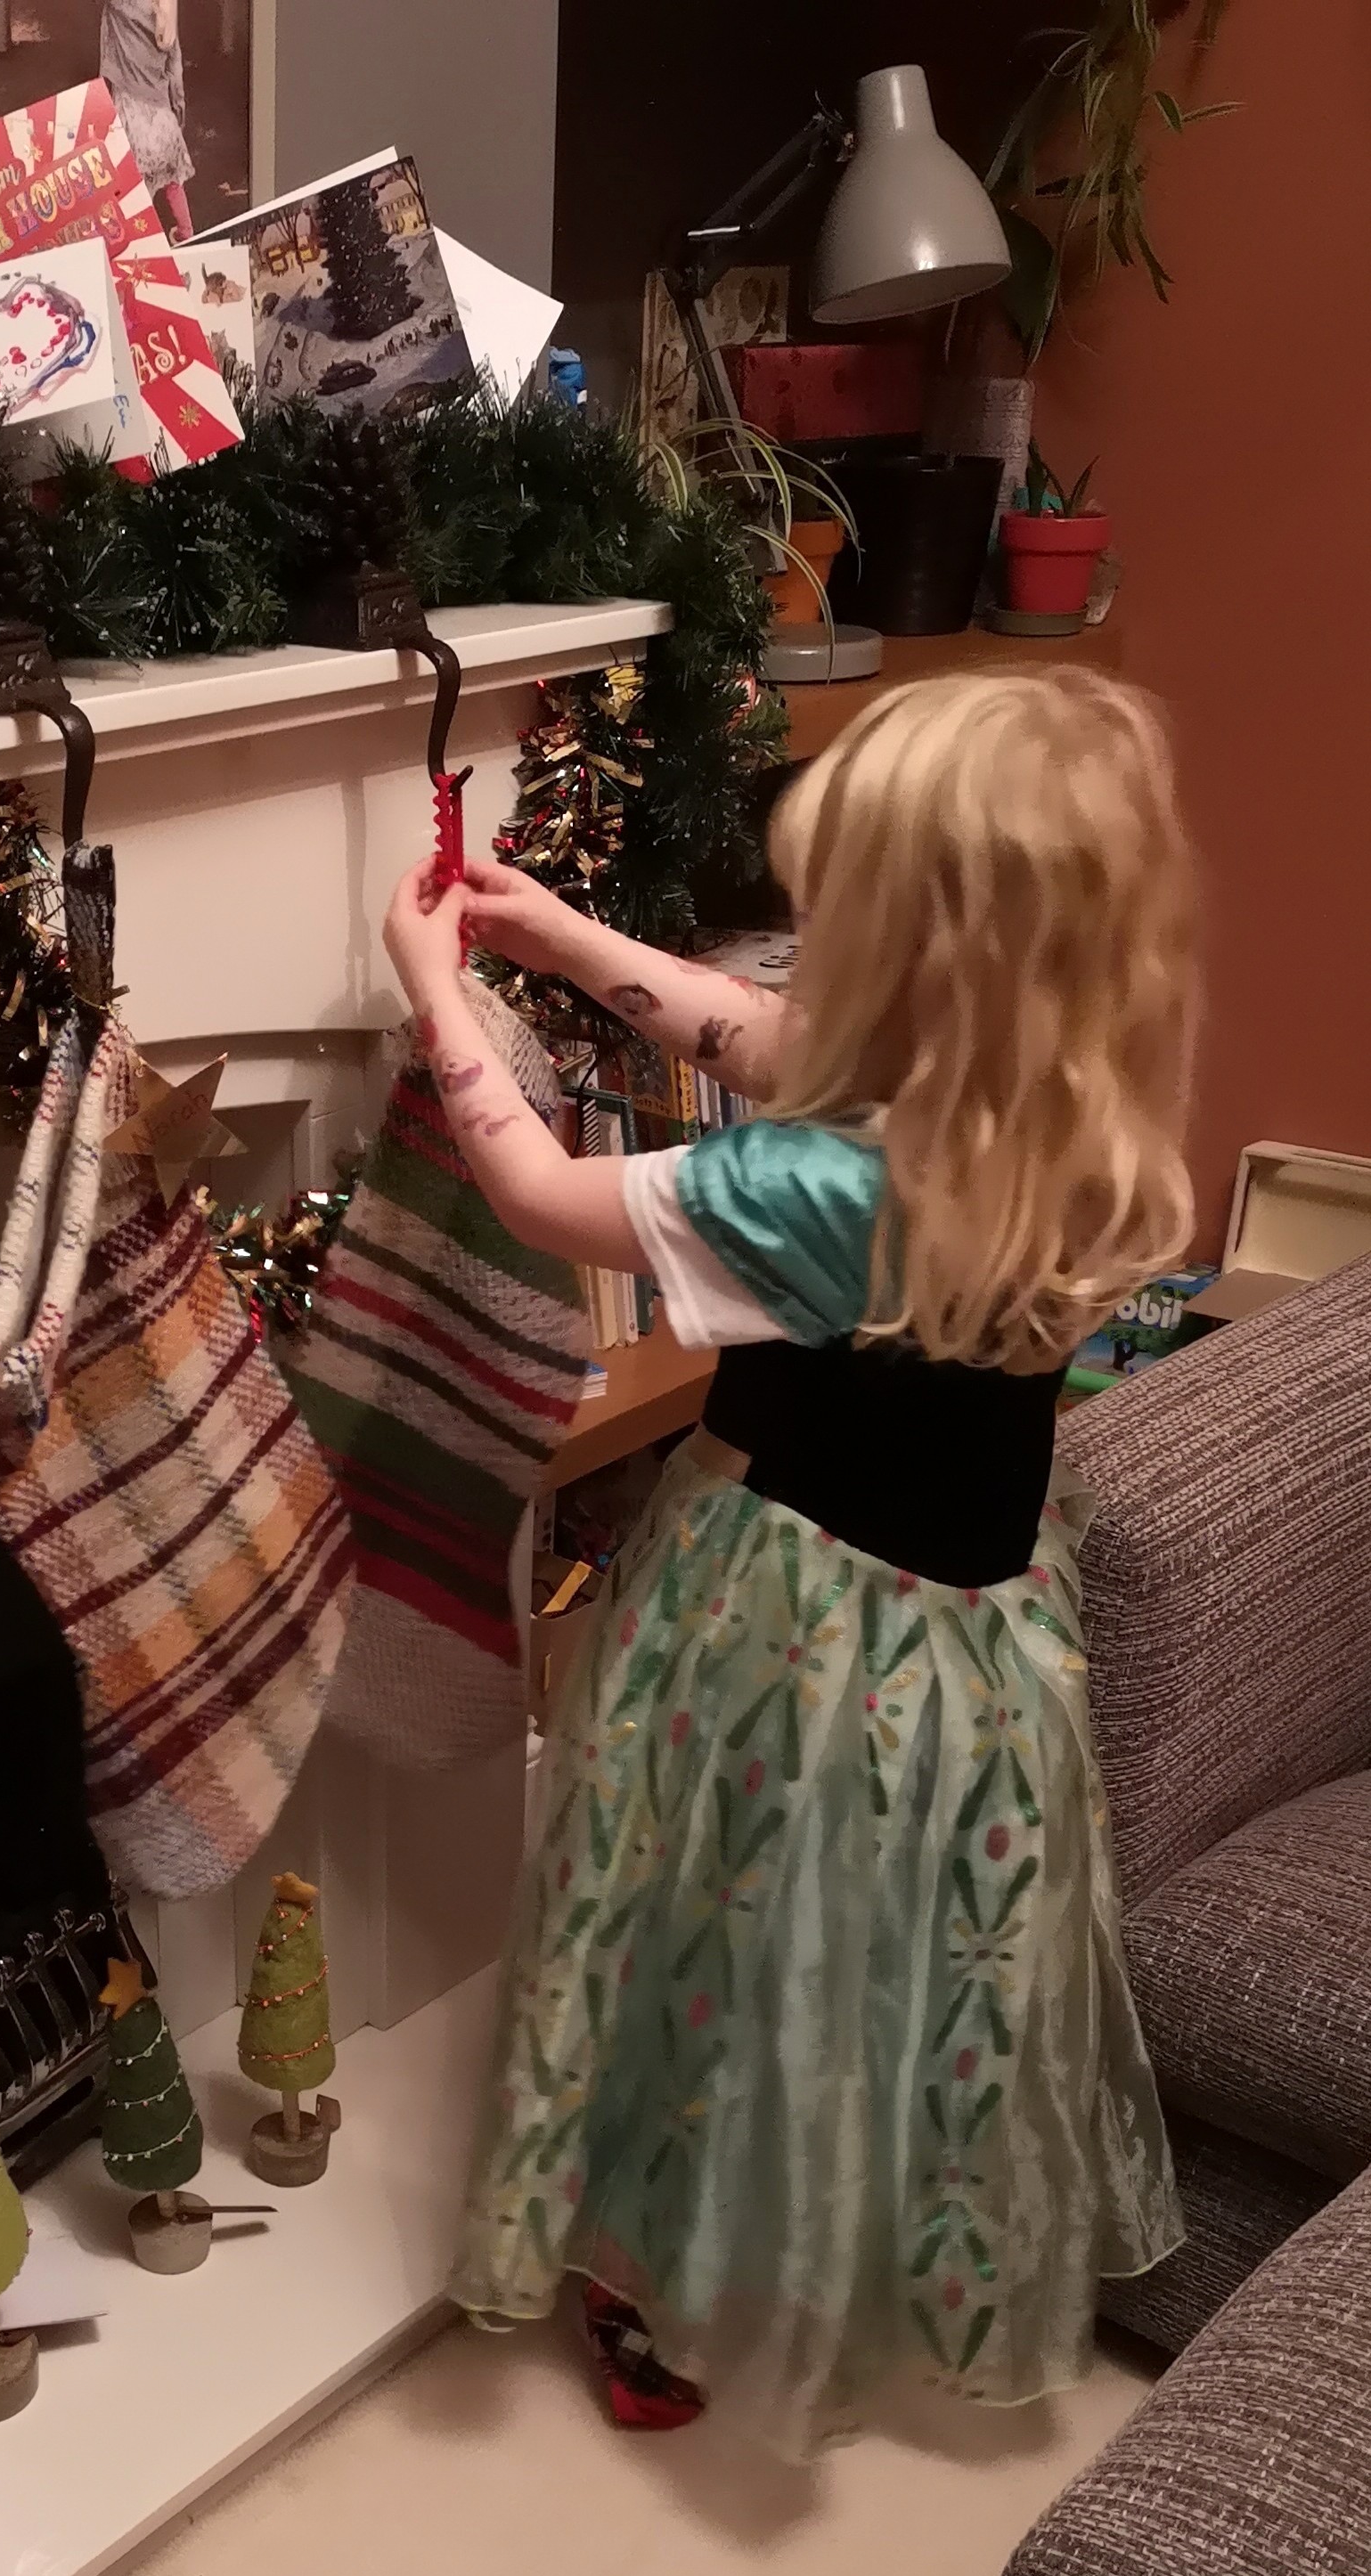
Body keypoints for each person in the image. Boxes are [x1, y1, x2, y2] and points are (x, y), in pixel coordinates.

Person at [385, 667, 1196, 2458]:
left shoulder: (824, 1195)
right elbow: (753, 1041)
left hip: (787, 1632)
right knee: (892, 1961)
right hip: (974, 1654)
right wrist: (557, 929)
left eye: (831, 926)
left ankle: (663, 2278)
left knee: (720, 1946)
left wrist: (441, 990)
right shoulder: (1062, 1115)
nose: (785, 961)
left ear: (918, 962)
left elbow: (536, 1195)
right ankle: (870, 2245)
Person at [101, 0, 195, 241]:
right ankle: (186, 232)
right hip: (161, 114)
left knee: (137, 188)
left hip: (133, 114)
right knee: (173, 183)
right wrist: (178, 105)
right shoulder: (166, 15)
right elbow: (175, 68)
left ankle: (141, 242)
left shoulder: (122, 6)